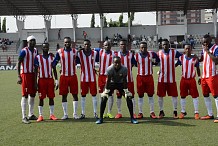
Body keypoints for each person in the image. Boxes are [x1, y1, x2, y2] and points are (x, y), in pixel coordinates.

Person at [96, 56, 138, 124]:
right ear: (113, 63)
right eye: (115, 63)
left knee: (129, 97)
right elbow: (108, 80)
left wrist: (126, 91)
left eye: (118, 63)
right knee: (104, 97)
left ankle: (132, 118)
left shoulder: (124, 69)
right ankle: (101, 118)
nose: (117, 64)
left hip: (120, 84)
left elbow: (124, 80)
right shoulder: (110, 69)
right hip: (111, 83)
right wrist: (106, 91)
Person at [53, 37, 80, 120]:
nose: (67, 43)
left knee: (75, 95)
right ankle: (65, 114)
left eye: (68, 42)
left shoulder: (75, 52)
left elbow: (79, 61)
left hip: (73, 76)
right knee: (64, 95)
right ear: (63, 43)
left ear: (71, 43)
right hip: (63, 76)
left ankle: (75, 114)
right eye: (65, 42)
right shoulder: (59, 52)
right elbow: (54, 63)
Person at [156, 38, 182, 119]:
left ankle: (175, 111)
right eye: (163, 44)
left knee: (174, 95)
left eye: (166, 44)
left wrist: (176, 64)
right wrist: (159, 70)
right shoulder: (159, 53)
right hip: (162, 78)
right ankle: (161, 111)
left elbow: (182, 58)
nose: (165, 46)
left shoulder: (174, 52)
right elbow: (155, 61)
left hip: (171, 78)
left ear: (169, 45)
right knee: (160, 95)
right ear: (161, 45)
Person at [134, 41, 160, 119]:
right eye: (142, 47)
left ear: (147, 48)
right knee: (140, 95)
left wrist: (154, 62)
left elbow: (158, 60)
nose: (143, 48)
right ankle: (140, 112)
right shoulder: (136, 56)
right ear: (140, 48)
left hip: (149, 77)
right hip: (140, 77)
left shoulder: (152, 54)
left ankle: (152, 112)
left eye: (145, 47)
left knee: (150, 95)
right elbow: (133, 63)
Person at [34, 43, 59, 122]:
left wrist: (56, 80)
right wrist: (35, 82)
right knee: (41, 98)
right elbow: (35, 70)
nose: (45, 48)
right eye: (44, 47)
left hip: (50, 80)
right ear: (42, 48)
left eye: (47, 47)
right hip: (41, 80)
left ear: (48, 48)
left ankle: (51, 114)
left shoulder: (51, 57)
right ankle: (40, 115)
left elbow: (54, 69)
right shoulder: (38, 57)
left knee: (51, 97)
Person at [17, 35, 38, 124]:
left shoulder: (36, 51)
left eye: (34, 40)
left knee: (32, 94)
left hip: (32, 75)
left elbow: (36, 64)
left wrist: (36, 79)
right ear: (28, 42)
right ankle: (23, 116)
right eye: (32, 41)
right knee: (25, 95)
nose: (33, 42)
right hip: (25, 75)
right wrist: (19, 76)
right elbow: (18, 62)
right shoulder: (24, 51)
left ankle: (31, 114)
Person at [176, 44, 201, 120]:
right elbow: (176, 65)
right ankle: (183, 112)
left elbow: (197, 68)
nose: (187, 50)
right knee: (183, 96)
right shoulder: (181, 58)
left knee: (195, 96)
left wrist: (199, 77)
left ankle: (196, 112)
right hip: (183, 79)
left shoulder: (195, 58)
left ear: (191, 49)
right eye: (186, 49)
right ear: (184, 50)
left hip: (191, 80)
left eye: (189, 49)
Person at [198, 34, 218, 123]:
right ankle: (210, 114)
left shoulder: (215, 48)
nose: (204, 44)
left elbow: (216, 61)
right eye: (203, 42)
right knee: (205, 95)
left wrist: (208, 52)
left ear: (210, 40)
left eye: (206, 42)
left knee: (216, 95)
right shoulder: (203, 49)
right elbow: (202, 59)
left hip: (212, 75)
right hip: (204, 76)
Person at [115, 39, 137, 119]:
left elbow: (134, 63)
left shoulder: (131, 54)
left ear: (127, 45)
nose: (123, 46)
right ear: (119, 45)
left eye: (124, 44)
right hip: (119, 80)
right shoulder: (116, 55)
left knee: (131, 96)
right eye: (121, 44)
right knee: (119, 96)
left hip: (129, 79)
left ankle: (133, 113)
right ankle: (119, 112)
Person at [77, 39, 98, 119]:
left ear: (90, 45)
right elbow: (73, 54)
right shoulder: (80, 53)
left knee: (94, 95)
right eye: (85, 44)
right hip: (83, 78)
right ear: (83, 45)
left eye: (88, 44)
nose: (86, 46)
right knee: (83, 95)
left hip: (92, 78)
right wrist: (79, 50)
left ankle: (95, 113)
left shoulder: (94, 53)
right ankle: (83, 113)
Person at [97, 41, 116, 118]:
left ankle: (109, 112)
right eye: (105, 45)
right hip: (101, 76)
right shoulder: (99, 51)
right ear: (103, 46)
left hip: (110, 76)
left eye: (108, 45)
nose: (107, 46)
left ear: (111, 46)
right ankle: (103, 112)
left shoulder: (114, 54)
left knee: (110, 94)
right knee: (101, 94)